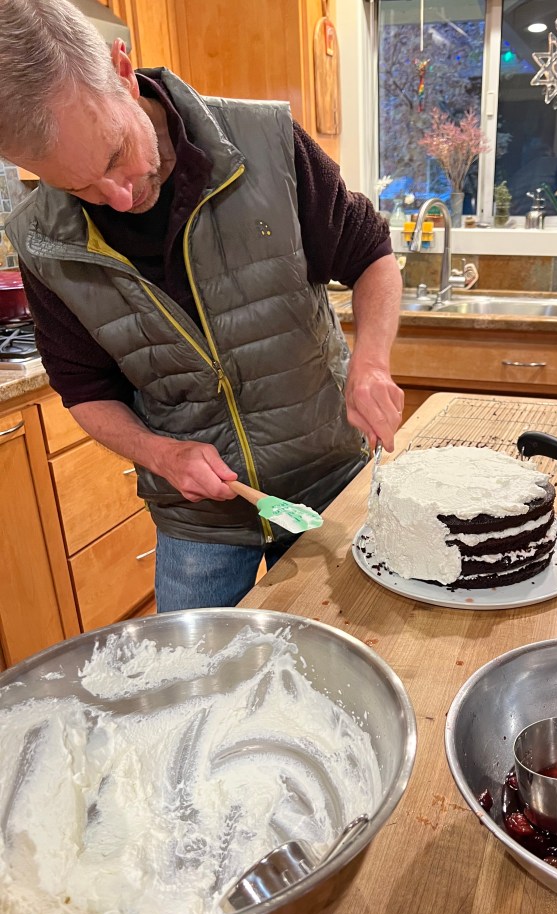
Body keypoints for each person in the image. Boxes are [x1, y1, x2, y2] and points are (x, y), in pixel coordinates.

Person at [0, 0, 404, 612]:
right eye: (76, 186)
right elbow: (85, 389)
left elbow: (371, 255)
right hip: (199, 520)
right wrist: (160, 454)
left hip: (329, 482)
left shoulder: (265, 142)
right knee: (198, 670)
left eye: (114, 156)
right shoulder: (40, 239)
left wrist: (370, 363)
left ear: (123, 71)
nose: (118, 197)